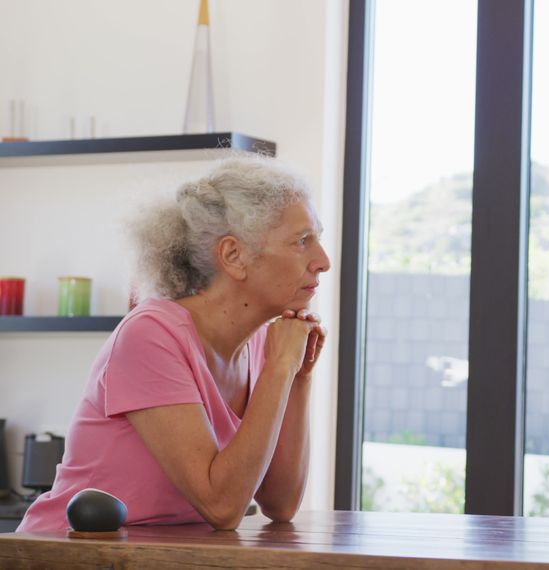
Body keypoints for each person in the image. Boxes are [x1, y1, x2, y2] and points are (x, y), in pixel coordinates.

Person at [17, 157, 331, 531]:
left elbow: (280, 503)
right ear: (234, 256)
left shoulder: (265, 342)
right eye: (301, 241)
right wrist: (280, 368)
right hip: (68, 557)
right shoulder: (150, 336)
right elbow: (222, 506)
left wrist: (298, 376)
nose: (322, 261)